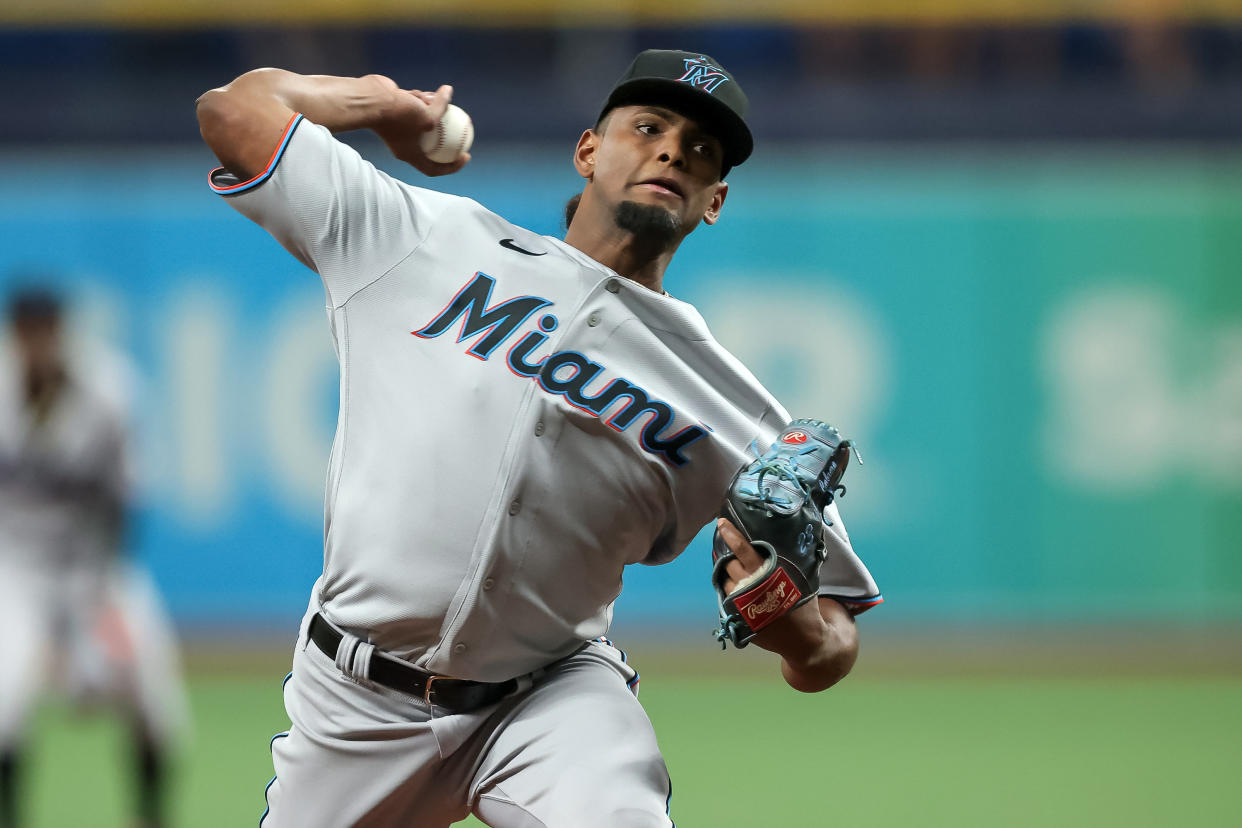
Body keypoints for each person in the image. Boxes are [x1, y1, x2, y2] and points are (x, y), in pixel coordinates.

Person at [197, 50, 882, 826]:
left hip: (547, 701)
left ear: (714, 200)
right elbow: (235, 112)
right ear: (588, 151)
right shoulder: (421, 241)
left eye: (700, 151)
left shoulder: (727, 404)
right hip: (353, 702)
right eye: (649, 128)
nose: (672, 152)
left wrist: (797, 635)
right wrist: (389, 107)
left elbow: (833, 642)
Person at [0, 286, 187, 828]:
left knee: (153, 696)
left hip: (95, 567)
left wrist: (106, 594)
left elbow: (131, 499)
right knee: (5, 697)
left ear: (62, 333)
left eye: (47, 332)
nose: (38, 345)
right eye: (28, 334)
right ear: (15, 336)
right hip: (16, 569)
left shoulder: (111, 390)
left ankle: (150, 818)